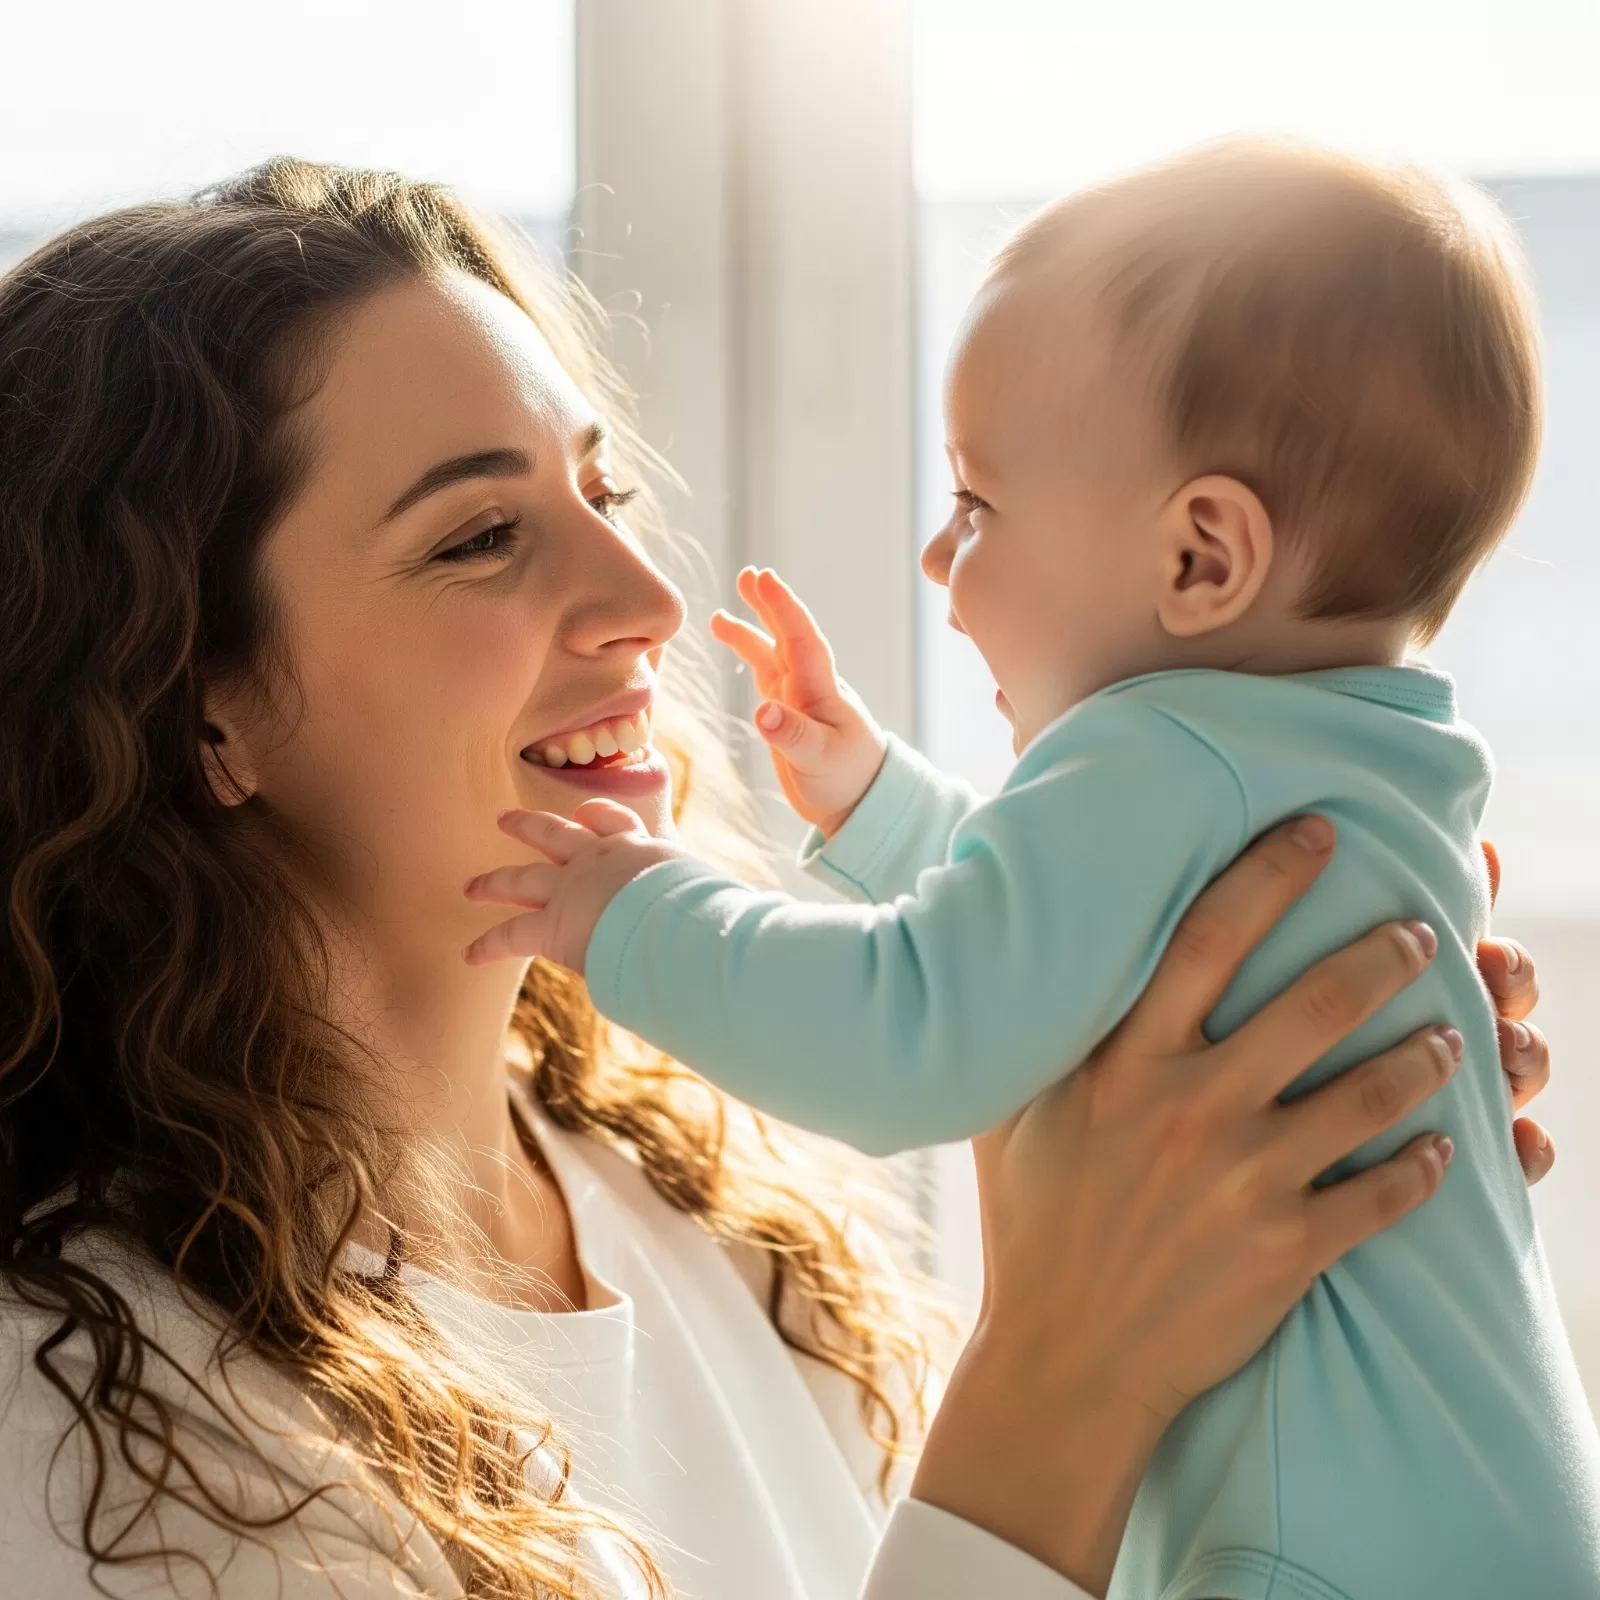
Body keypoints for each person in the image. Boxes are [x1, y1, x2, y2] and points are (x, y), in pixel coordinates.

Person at [0, 158, 1557, 1600]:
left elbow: (966, 955)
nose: (647, 596)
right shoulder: (96, 1428)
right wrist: (1067, 1378)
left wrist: (1267, 1118)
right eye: (480, 537)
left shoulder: (708, 1223)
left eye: (603, 496)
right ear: (202, 706)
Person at [466, 140, 1600, 1596]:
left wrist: (631, 909)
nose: (940, 561)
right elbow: (1064, 936)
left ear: (1203, 556)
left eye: (978, 506)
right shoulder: (1374, 757)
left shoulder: (1157, 751)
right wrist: (876, 803)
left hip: (1307, 1555)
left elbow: (910, 1038)